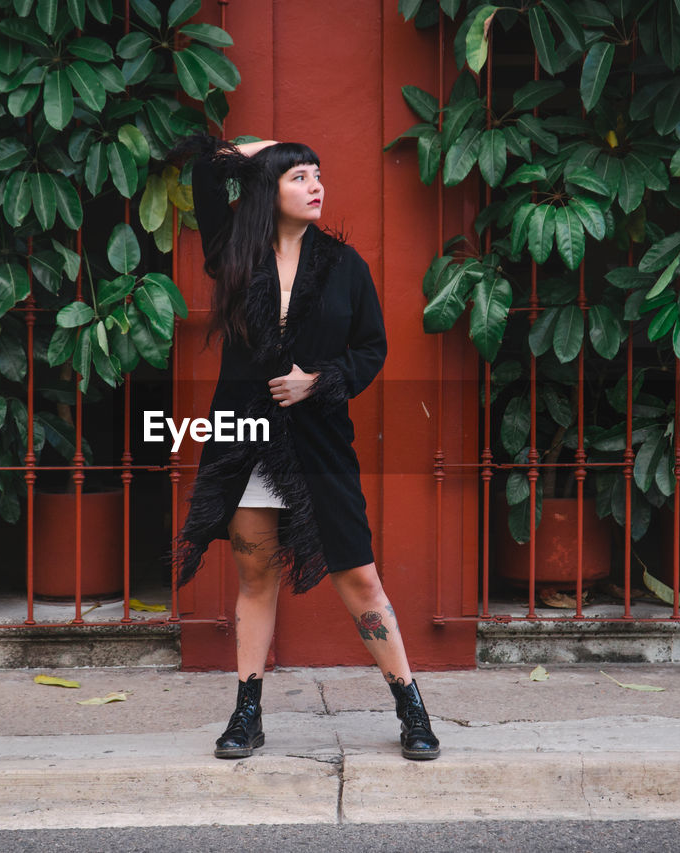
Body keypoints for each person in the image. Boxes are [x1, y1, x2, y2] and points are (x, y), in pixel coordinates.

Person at [170, 135, 440, 761]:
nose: (316, 185)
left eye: (319, 173)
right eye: (298, 175)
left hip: (318, 441)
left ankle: (411, 706)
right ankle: (247, 714)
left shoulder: (345, 266)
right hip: (245, 438)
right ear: (269, 189)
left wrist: (318, 381)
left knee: (362, 579)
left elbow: (371, 348)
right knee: (256, 573)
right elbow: (206, 175)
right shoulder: (234, 252)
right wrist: (265, 148)